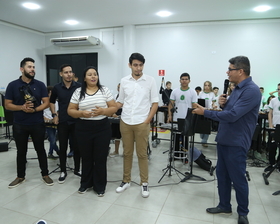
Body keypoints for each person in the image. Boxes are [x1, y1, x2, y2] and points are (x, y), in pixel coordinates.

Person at [193, 56, 261, 224]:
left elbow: (232, 116)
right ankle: (224, 205)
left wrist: (206, 113)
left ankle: (243, 212)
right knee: (222, 175)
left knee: (238, 178)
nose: (227, 72)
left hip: (236, 142)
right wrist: (224, 104)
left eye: (230, 69)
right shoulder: (237, 89)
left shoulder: (251, 90)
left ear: (241, 71)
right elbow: (229, 111)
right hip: (224, 139)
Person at [68, 66, 117, 196]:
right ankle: (85, 183)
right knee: (87, 157)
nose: (93, 76)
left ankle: (100, 186)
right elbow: (70, 110)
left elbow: (113, 108)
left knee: (100, 158)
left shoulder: (104, 90)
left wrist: (103, 111)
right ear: (84, 78)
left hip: (102, 128)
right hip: (83, 128)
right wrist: (81, 113)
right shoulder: (78, 92)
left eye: (95, 74)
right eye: (89, 74)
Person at [5, 57, 54, 188]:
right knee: (21, 151)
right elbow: (7, 105)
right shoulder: (12, 85)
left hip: (37, 123)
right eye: (29, 67)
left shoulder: (40, 85)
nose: (32, 69)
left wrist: (35, 110)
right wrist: (22, 107)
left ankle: (45, 174)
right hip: (20, 124)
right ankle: (20, 176)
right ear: (22, 69)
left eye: (33, 67)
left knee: (40, 150)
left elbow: (47, 102)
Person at [115, 53, 159, 198]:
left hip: (142, 122)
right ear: (130, 65)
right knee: (126, 153)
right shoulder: (124, 81)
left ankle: (144, 183)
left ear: (143, 66)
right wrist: (108, 108)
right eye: (135, 65)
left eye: (140, 65)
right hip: (126, 121)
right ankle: (126, 180)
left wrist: (147, 120)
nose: (138, 68)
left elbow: (155, 103)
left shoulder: (150, 80)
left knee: (142, 154)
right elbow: (120, 102)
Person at [168, 73, 212, 171]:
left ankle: (185, 156)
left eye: (186, 79)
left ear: (189, 81)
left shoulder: (192, 92)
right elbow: (171, 104)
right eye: (182, 79)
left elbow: (194, 105)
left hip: (187, 119)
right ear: (180, 80)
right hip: (176, 118)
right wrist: (170, 115)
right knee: (176, 137)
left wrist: (192, 117)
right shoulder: (175, 91)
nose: (184, 81)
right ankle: (176, 154)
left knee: (185, 138)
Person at [49, 64, 81, 184]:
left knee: (77, 147)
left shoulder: (79, 86)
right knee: (63, 147)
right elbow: (51, 102)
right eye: (66, 72)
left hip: (76, 121)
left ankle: (77, 169)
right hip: (63, 121)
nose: (69, 75)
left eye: (70, 72)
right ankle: (63, 171)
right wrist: (54, 115)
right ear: (61, 74)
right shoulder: (57, 87)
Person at [264, 85, 280, 172]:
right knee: (272, 146)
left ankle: (278, 165)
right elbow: (270, 113)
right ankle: (271, 163)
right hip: (274, 126)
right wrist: (271, 125)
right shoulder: (274, 100)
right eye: (278, 89)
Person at [43, 86, 60, 159]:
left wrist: (56, 118)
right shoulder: (43, 102)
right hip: (47, 123)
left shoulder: (56, 102)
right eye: (49, 93)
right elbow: (41, 113)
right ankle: (58, 151)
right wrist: (46, 118)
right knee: (52, 139)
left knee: (53, 138)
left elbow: (58, 112)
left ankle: (50, 153)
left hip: (55, 122)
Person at [198, 81, 215, 147]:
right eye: (205, 85)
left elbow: (213, 103)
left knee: (207, 126)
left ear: (210, 86)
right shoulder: (201, 93)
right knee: (201, 126)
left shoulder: (212, 94)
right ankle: (203, 138)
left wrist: (214, 106)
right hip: (201, 111)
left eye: (208, 85)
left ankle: (205, 141)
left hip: (209, 111)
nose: (207, 87)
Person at [109, 83, 122, 157]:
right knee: (116, 135)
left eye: (121, 88)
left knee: (125, 136)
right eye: (119, 88)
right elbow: (113, 106)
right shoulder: (115, 96)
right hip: (116, 116)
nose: (120, 89)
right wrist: (113, 114)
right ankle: (116, 151)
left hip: (124, 116)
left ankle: (126, 152)